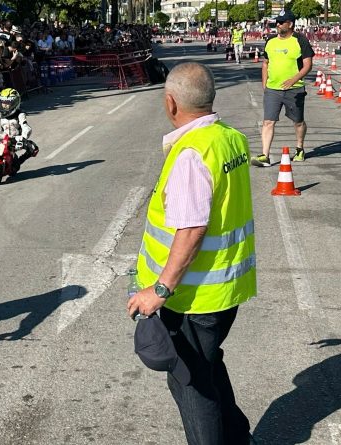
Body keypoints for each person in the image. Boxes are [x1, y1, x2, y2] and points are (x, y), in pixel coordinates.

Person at [126, 62, 256, 445]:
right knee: (208, 366)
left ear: (170, 103)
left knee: (191, 385)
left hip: (195, 296)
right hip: (225, 286)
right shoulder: (228, 137)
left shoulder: (190, 154)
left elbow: (193, 228)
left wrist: (160, 290)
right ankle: (238, 437)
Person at [252, 12, 314, 166]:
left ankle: (299, 149)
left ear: (290, 24)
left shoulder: (301, 41)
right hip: (273, 89)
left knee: (298, 121)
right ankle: (265, 155)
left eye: (281, 22)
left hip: (295, 89)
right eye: (276, 23)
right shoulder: (270, 41)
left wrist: (294, 80)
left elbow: (308, 65)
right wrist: (264, 84)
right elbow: (265, 63)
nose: (278, 25)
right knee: (268, 122)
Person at [0, 88, 38, 164]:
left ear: (15, 103)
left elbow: (26, 127)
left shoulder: (20, 114)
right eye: (2, 102)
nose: (4, 105)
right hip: (3, 138)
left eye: (7, 103)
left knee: (34, 149)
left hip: (16, 139)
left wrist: (23, 139)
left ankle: (19, 161)